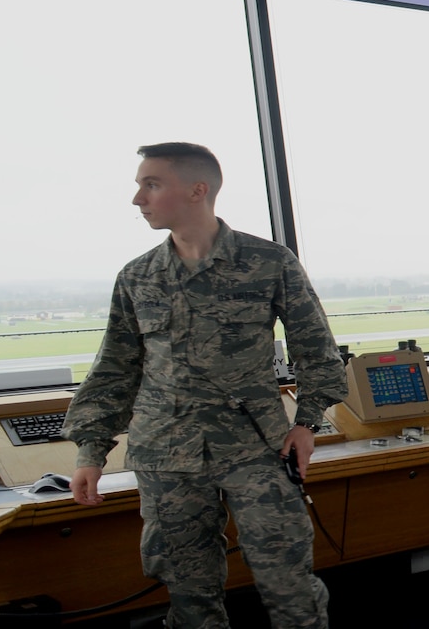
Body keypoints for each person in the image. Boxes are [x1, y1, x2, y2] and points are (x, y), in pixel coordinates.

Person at [62, 142, 344, 628]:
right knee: (190, 596)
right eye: (139, 186)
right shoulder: (137, 277)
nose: (138, 199)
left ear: (198, 190)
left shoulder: (268, 262)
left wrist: (308, 423)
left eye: (151, 184)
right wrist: (91, 452)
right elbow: (114, 369)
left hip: (255, 449)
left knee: (289, 584)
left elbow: (316, 348)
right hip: (166, 457)